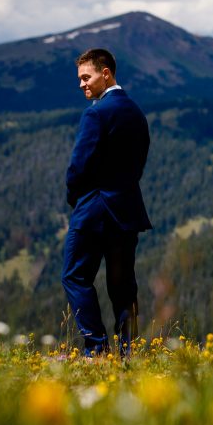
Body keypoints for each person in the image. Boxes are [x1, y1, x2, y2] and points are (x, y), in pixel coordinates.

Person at [62, 48, 152, 356]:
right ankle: (129, 352)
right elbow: (138, 164)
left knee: (74, 276)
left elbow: (78, 167)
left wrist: (76, 198)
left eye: (86, 77)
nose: (81, 85)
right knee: (122, 284)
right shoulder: (137, 113)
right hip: (126, 209)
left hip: (93, 208)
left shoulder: (96, 113)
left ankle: (97, 350)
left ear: (106, 74)